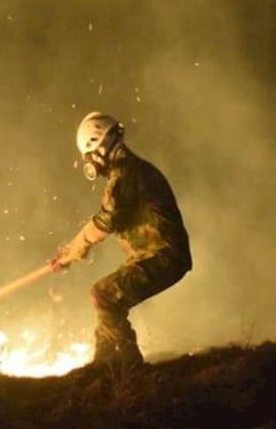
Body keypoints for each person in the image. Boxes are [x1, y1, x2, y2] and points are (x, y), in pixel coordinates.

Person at [49, 112, 192, 369]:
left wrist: (72, 252)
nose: (90, 163)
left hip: (164, 257)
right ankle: (103, 366)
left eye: (89, 156)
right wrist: (71, 252)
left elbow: (106, 221)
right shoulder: (132, 170)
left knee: (103, 295)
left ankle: (130, 369)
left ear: (98, 147)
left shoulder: (124, 173)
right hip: (156, 255)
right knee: (106, 304)